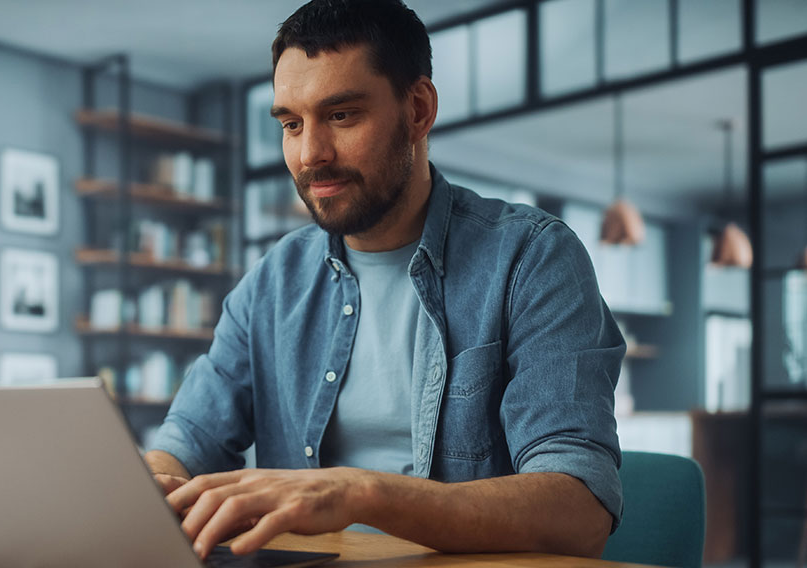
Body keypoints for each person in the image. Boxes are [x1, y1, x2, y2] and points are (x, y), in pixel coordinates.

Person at [145, 0, 624, 560]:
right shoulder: (273, 282)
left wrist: (360, 493)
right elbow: (186, 442)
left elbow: (579, 509)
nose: (310, 154)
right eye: (291, 124)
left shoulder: (530, 257)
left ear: (418, 109)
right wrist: (155, 480)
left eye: (342, 115)